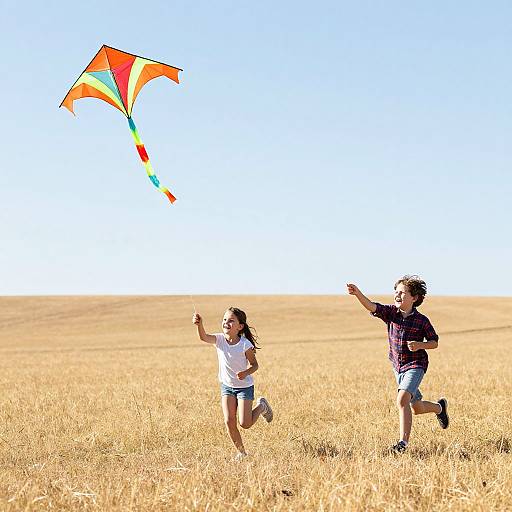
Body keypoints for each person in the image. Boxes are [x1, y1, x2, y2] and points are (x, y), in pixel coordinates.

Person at [347, 275, 449, 453]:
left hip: (416, 366)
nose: (397, 295)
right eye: (396, 291)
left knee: (402, 400)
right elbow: (372, 306)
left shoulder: (422, 321)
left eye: (402, 292)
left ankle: (403, 444)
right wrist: (358, 294)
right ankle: (440, 408)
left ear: (414, 298)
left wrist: (420, 345)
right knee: (416, 408)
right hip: (398, 367)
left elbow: (434, 342)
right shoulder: (391, 313)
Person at [192, 307, 273, 460]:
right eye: (224, 320)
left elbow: (255, 365)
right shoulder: (219, 340)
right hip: (227, 387)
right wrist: (199, 325)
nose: (226, 323)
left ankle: (262, 406)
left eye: (231, 320)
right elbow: (203, 337)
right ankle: (242, 453)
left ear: (240, 326)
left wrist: (245, 373)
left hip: (244, 388)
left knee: (245, 423)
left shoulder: (245, 344)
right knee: (229, 421)